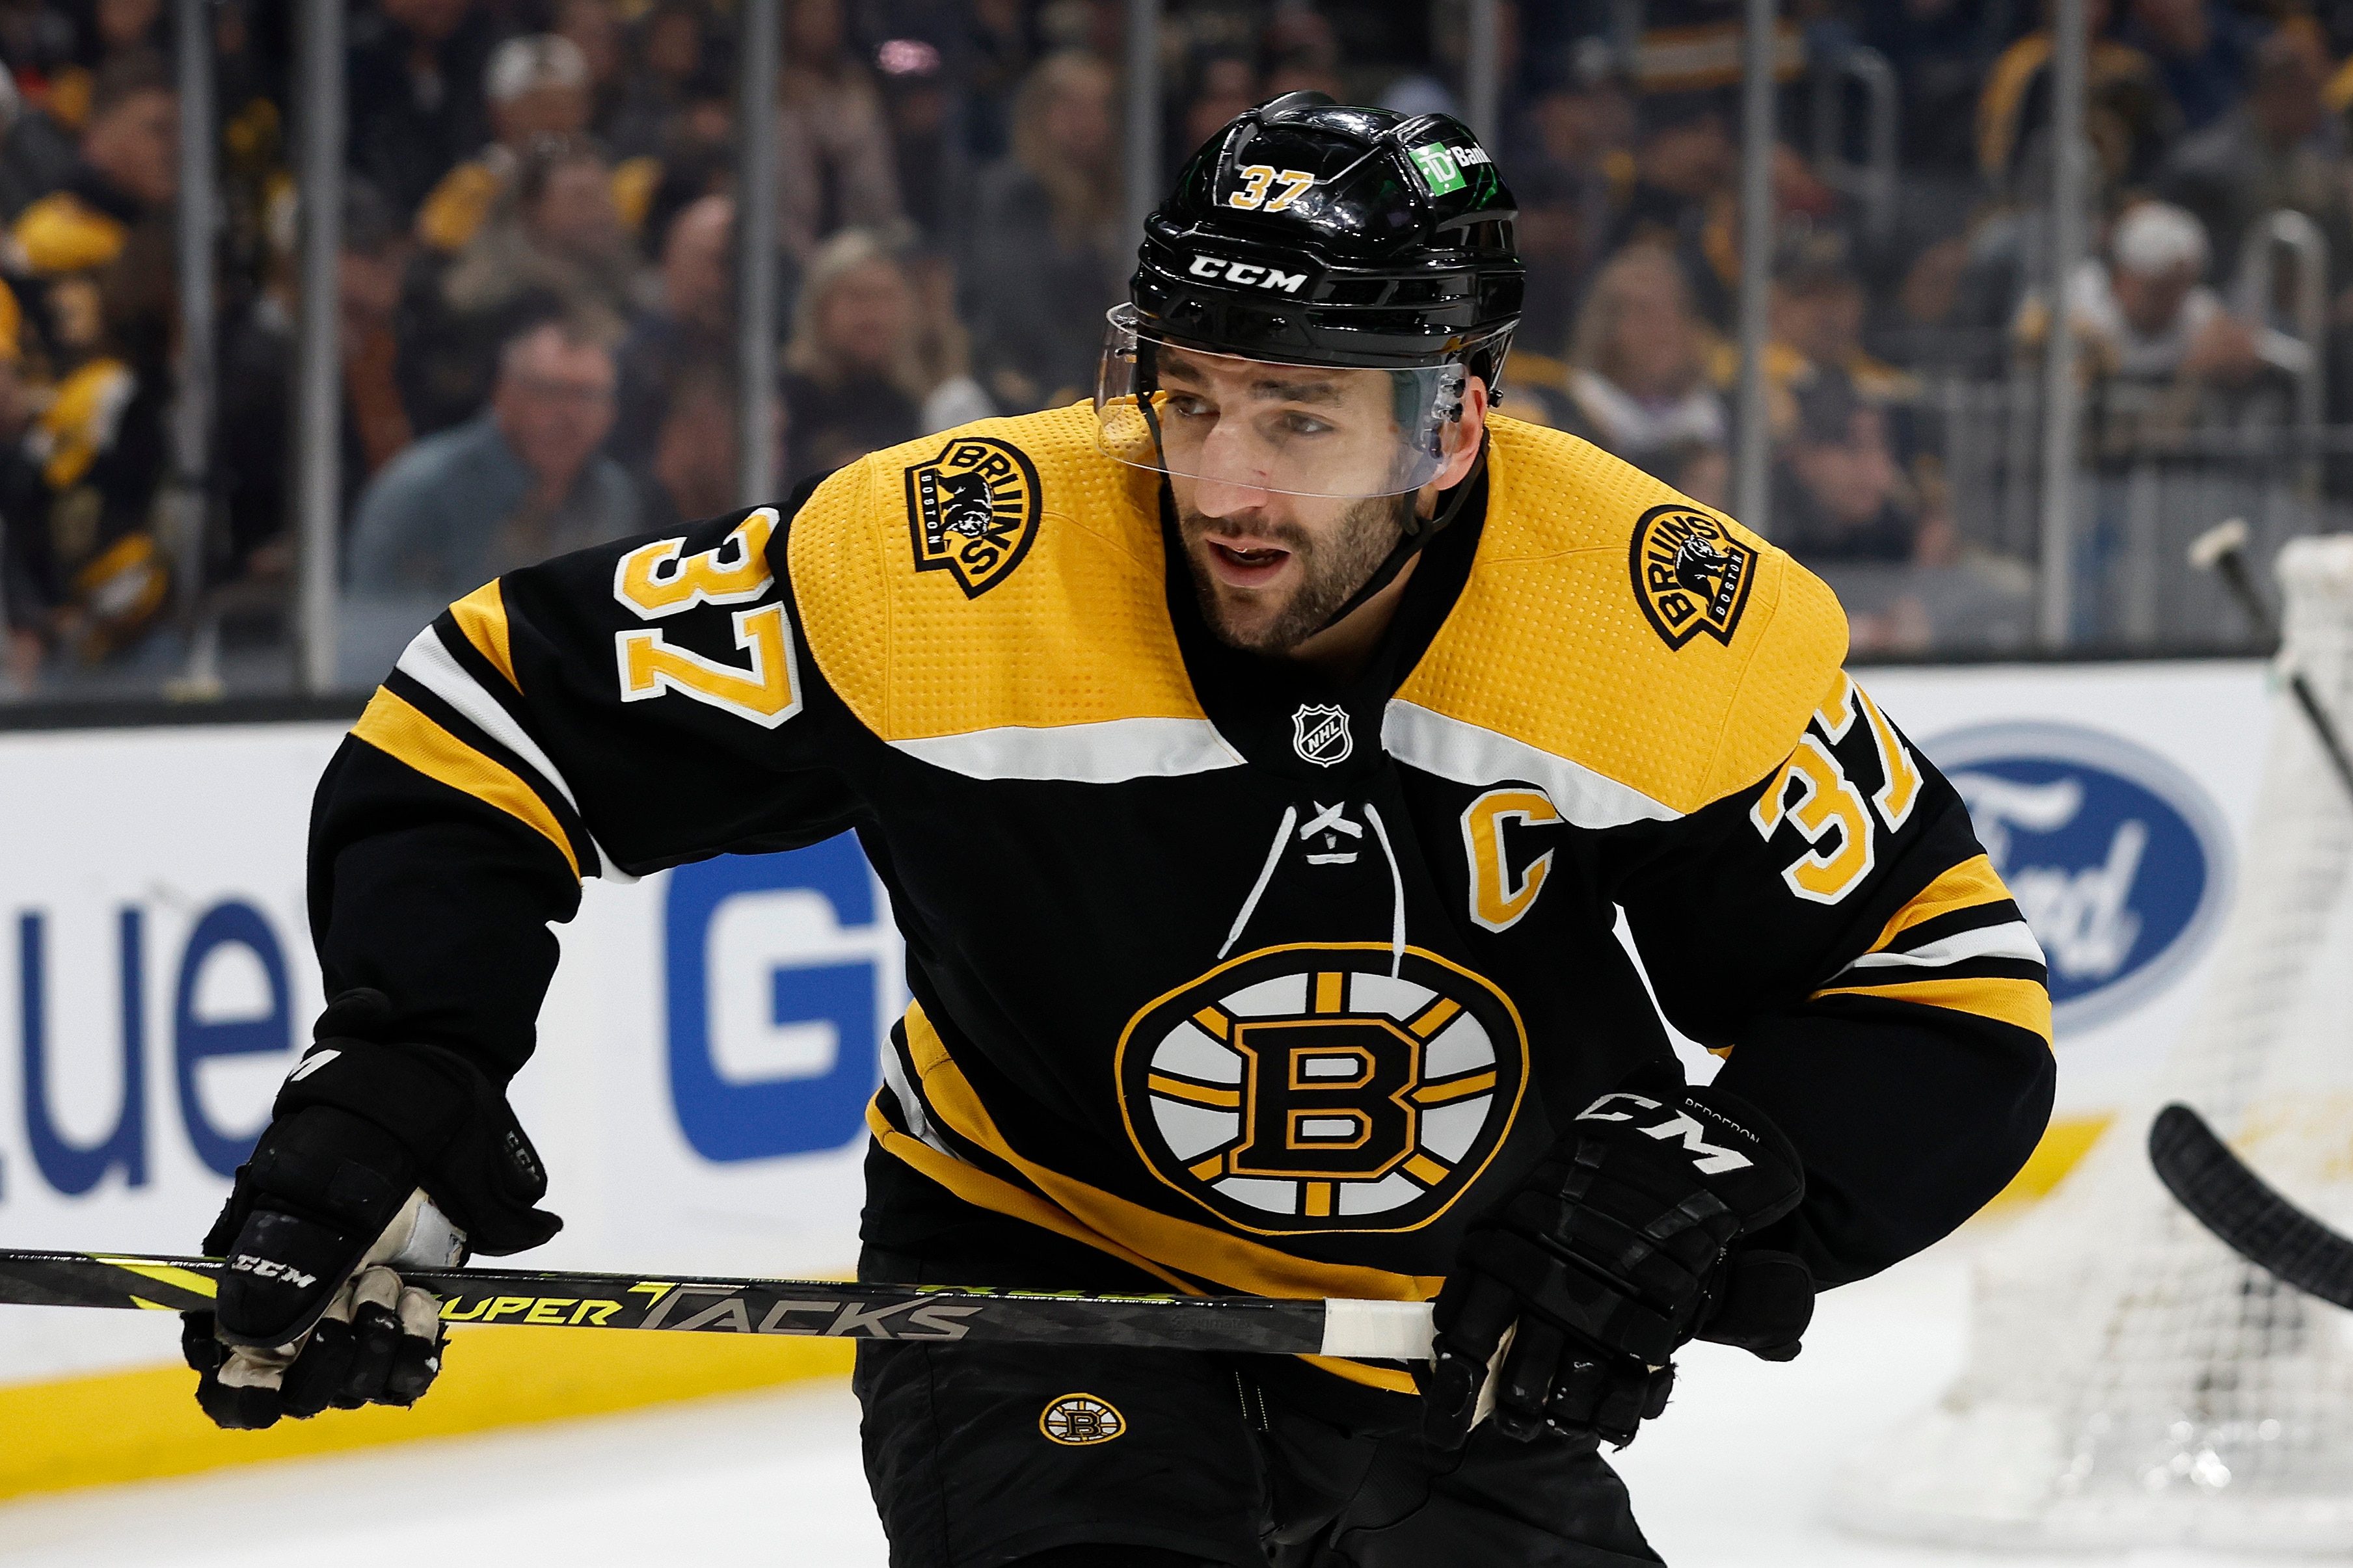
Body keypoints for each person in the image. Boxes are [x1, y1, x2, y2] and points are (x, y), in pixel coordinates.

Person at [184, 97, 2053, 1567]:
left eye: (1300, 418)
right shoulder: (950, 562)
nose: (1223, 483)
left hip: (1445, 1331)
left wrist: (1718, 1165)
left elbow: (1942, 1004)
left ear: (1451, 428)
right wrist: (401, 1068)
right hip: (1035, 1271)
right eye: (1189, 397)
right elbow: (498, 710)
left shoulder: (1648, 622)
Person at [346, 317, 638, 602]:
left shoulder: (612, 492)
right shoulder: (422, 491)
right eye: (550, 392)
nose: (569, 415)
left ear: (612, 410)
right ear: (505, 393)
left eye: (587, 396)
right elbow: (380, 627)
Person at [965, 49, 1125, 412]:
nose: (1089, 122)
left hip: (1097, 379)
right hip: (1031, 384)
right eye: (1072, 107)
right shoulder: (1013, 194)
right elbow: (1016, 303)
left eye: (1099, 108)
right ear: (1039, 115)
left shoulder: (1118, 193)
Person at [1556, 243, 1728, 480]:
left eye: (1673, 307)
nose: (1662, 327)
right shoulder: (1566, 420)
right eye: (1642, 311)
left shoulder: (1731, 415)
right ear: (1605, 328)